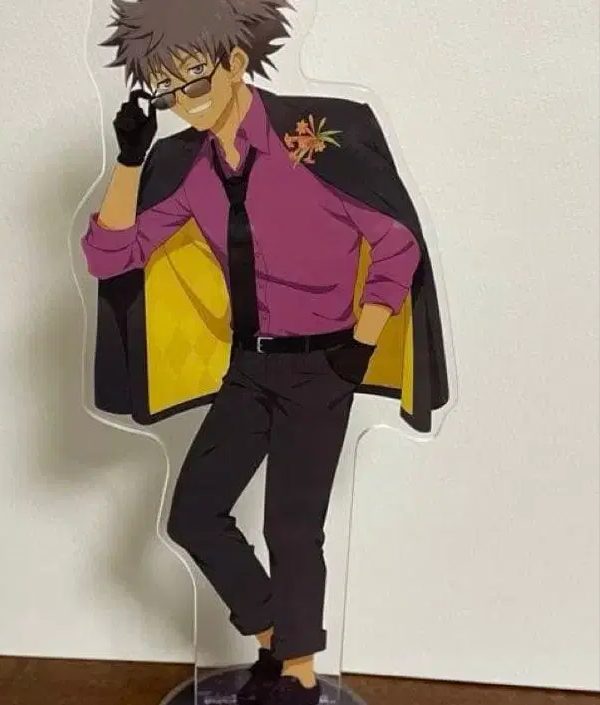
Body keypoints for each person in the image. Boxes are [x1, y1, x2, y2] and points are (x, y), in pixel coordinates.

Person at [80, 1, 448, 703]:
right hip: (249, 367)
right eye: (167, 90)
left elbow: (396, 244)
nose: (184, 103)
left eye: (194, 81)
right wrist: (129, 160)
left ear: (236, 62)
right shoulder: (187, 168)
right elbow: (110, 255)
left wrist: (360, 346)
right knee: (194, 514)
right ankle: (277, 642)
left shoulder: (312, 144)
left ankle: (298, 677)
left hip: (323, 363)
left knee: (292, 526)